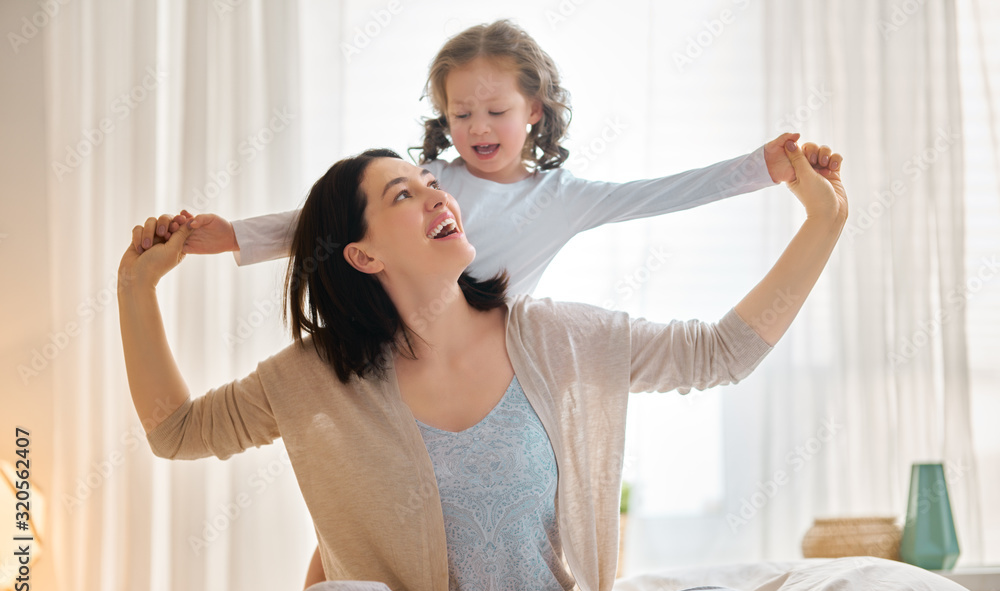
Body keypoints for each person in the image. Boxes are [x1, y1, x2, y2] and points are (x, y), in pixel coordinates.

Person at [118, 136, 847, 591]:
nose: (439, 194)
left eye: (431, 182)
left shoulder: (555, 336)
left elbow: (719, 352)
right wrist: (135, 289)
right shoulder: (316, 378)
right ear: (363, 255)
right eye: (403, 193)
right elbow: (177, 432)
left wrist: (824, 223)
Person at [135, 19, 808, 297]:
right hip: (399, 354)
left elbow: (663, 192)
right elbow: (330, 219)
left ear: (535, 111)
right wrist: (227, 237)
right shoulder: (431, 184)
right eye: (461, 115)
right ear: (443, 117)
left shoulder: (565, 197)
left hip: (486, 377)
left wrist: (761, 167)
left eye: (496, 112)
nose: (478, 128)